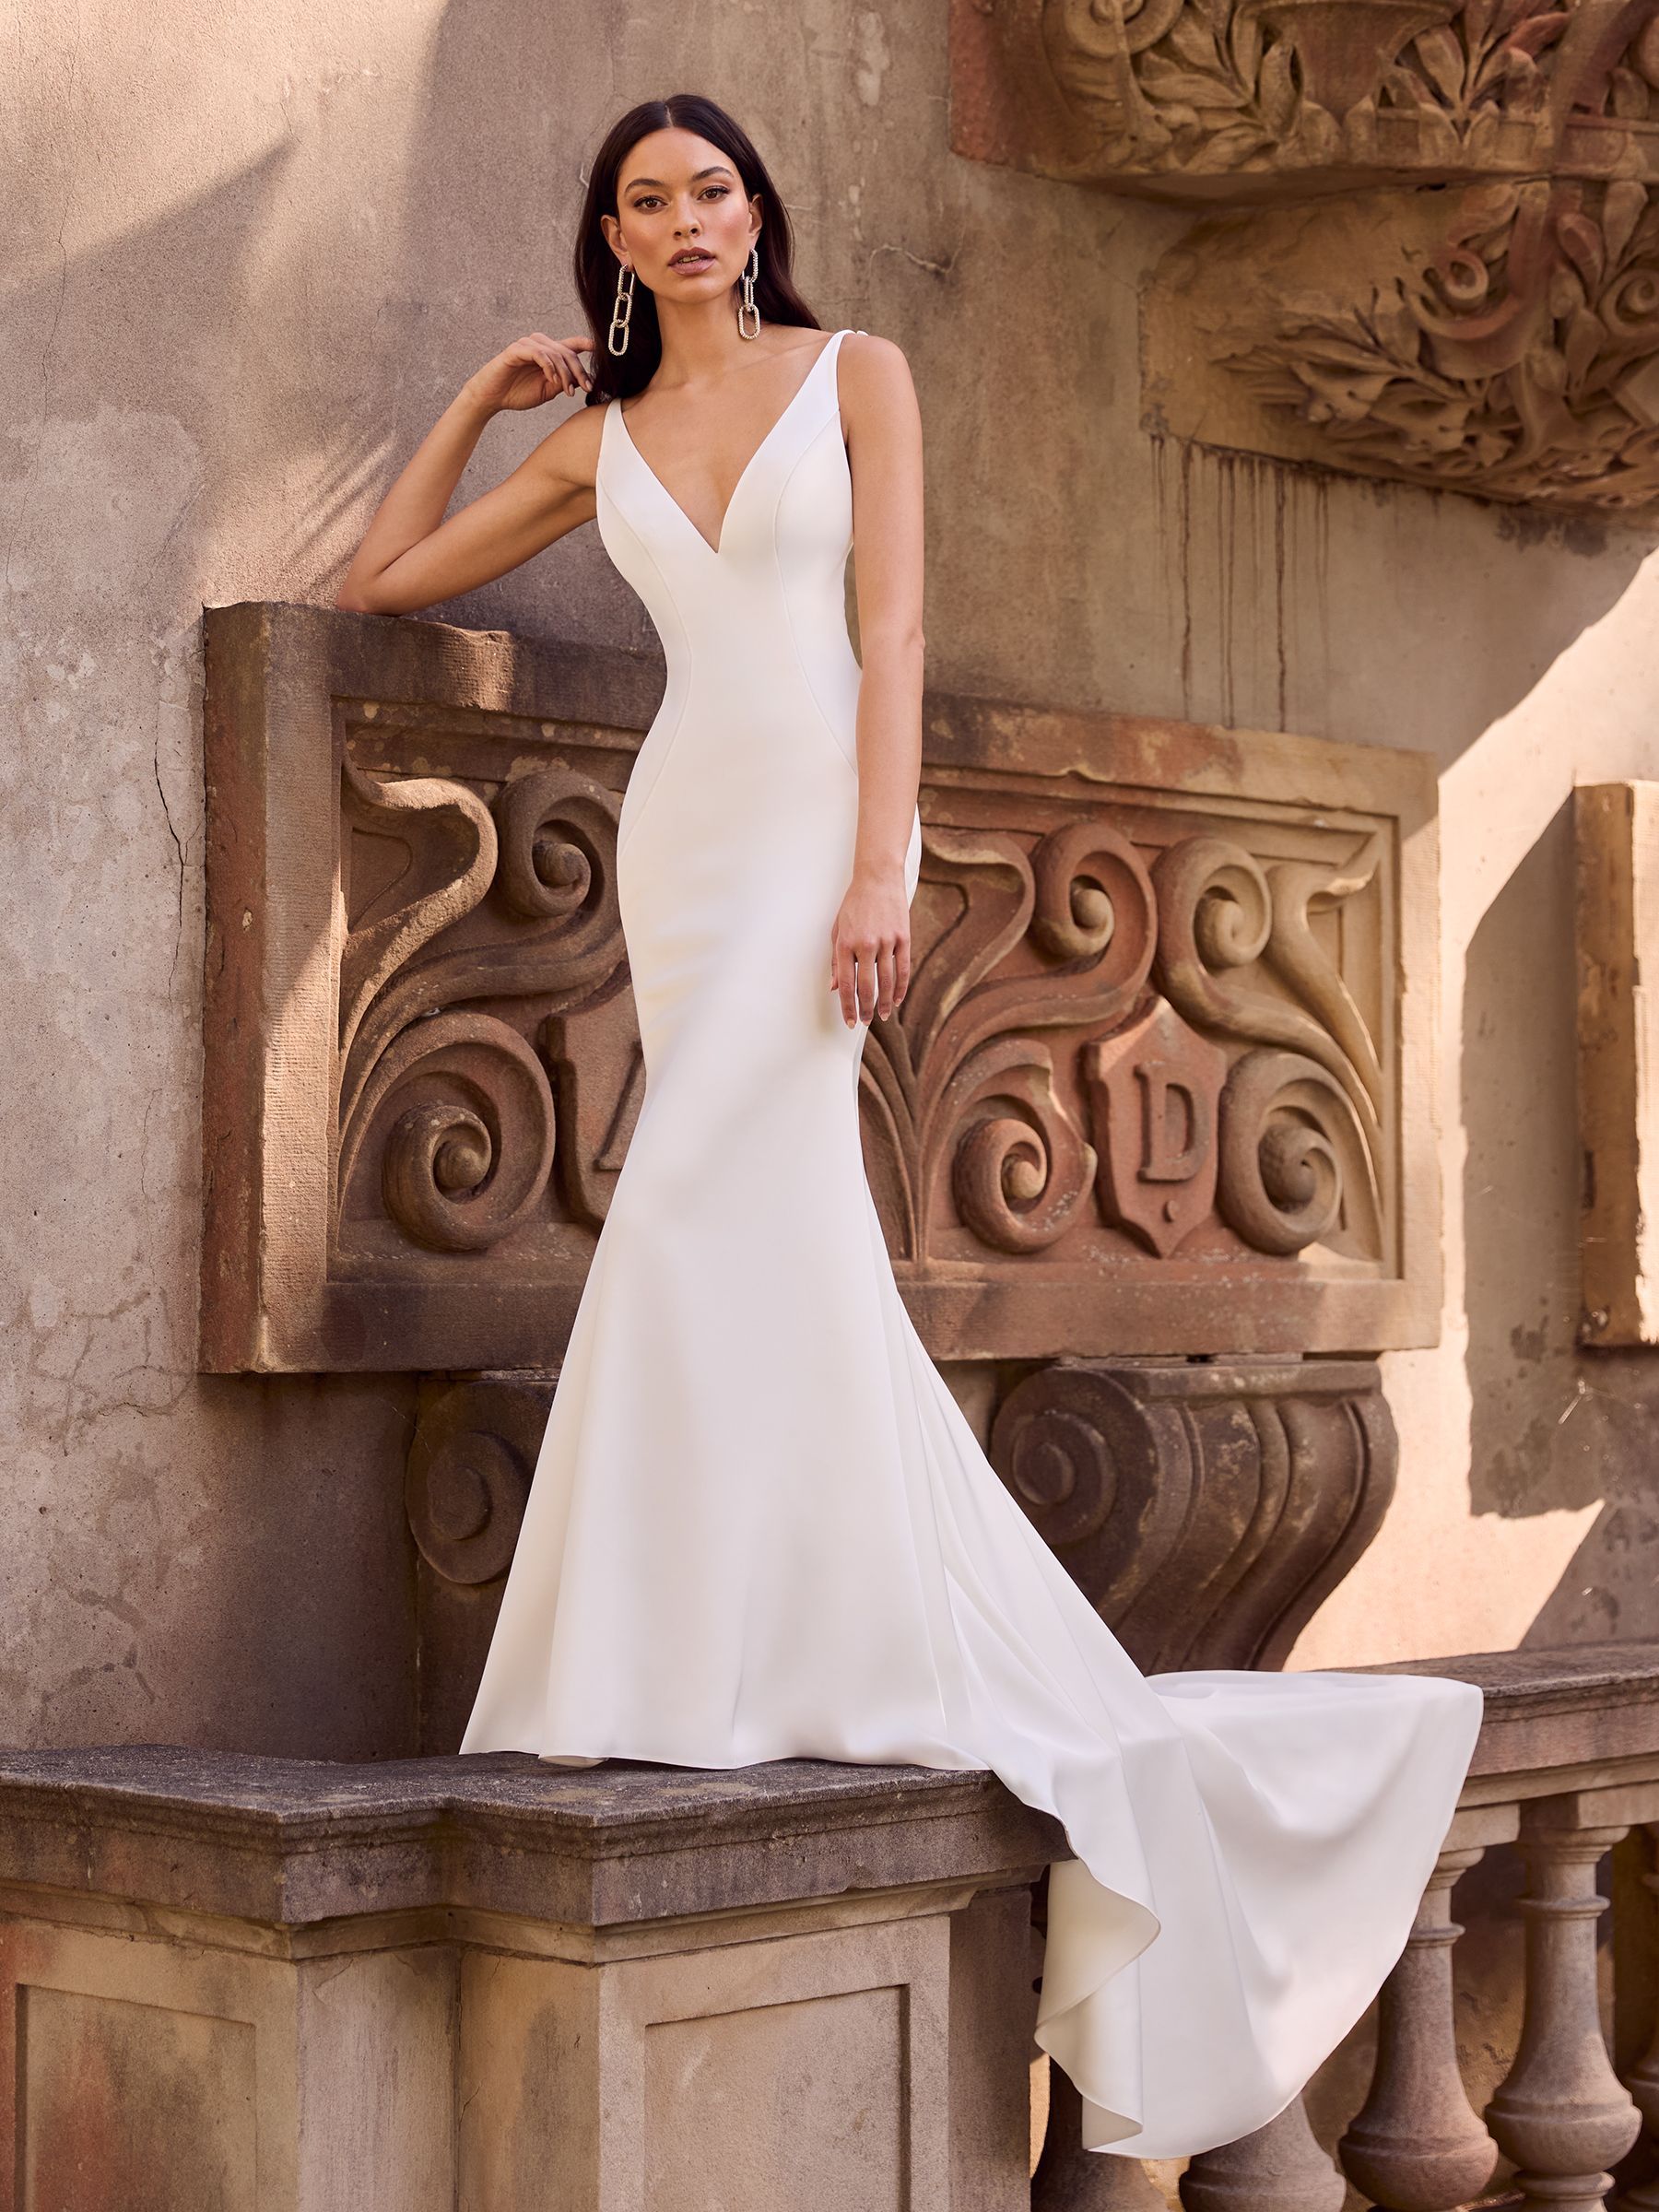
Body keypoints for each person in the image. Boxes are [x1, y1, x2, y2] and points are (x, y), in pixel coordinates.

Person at [334, 89, 1483, 2163]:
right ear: (609, 237)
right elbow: (380, 576)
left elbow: (897, 632)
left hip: (808, 843)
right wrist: (478, 396)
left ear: (758, 204)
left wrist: (890, 864)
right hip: (687, 843)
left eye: (711, 190)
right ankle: (699, 1660)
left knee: (709, 1209)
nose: (686, 223)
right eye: (642, 203)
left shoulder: (858, 374)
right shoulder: (593, 438)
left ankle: (698, 1656)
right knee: (726, 1228)